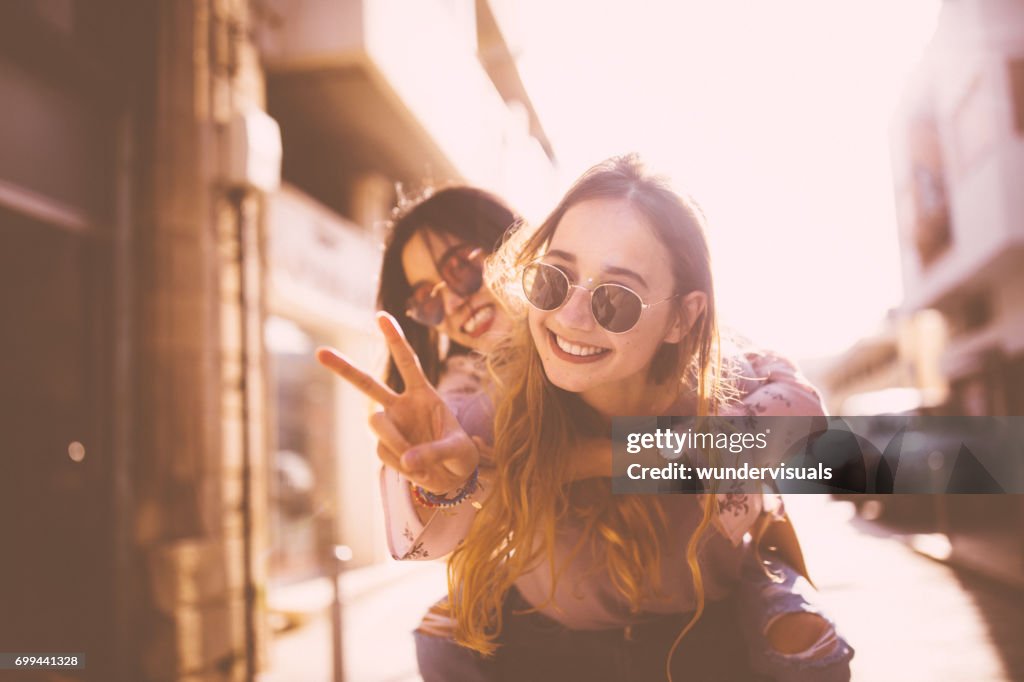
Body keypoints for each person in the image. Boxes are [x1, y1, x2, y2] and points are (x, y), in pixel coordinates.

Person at [320, 156, 853, 680]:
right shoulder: (472, 390)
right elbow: (421, 529)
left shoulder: (704, 364)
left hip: (706, 609)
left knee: (807, 648)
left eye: (461, 269)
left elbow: (811, 438)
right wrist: (445, 482)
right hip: (566, 630)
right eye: (427, 302)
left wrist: (589, 459)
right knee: (440, 638)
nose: (455, 303)